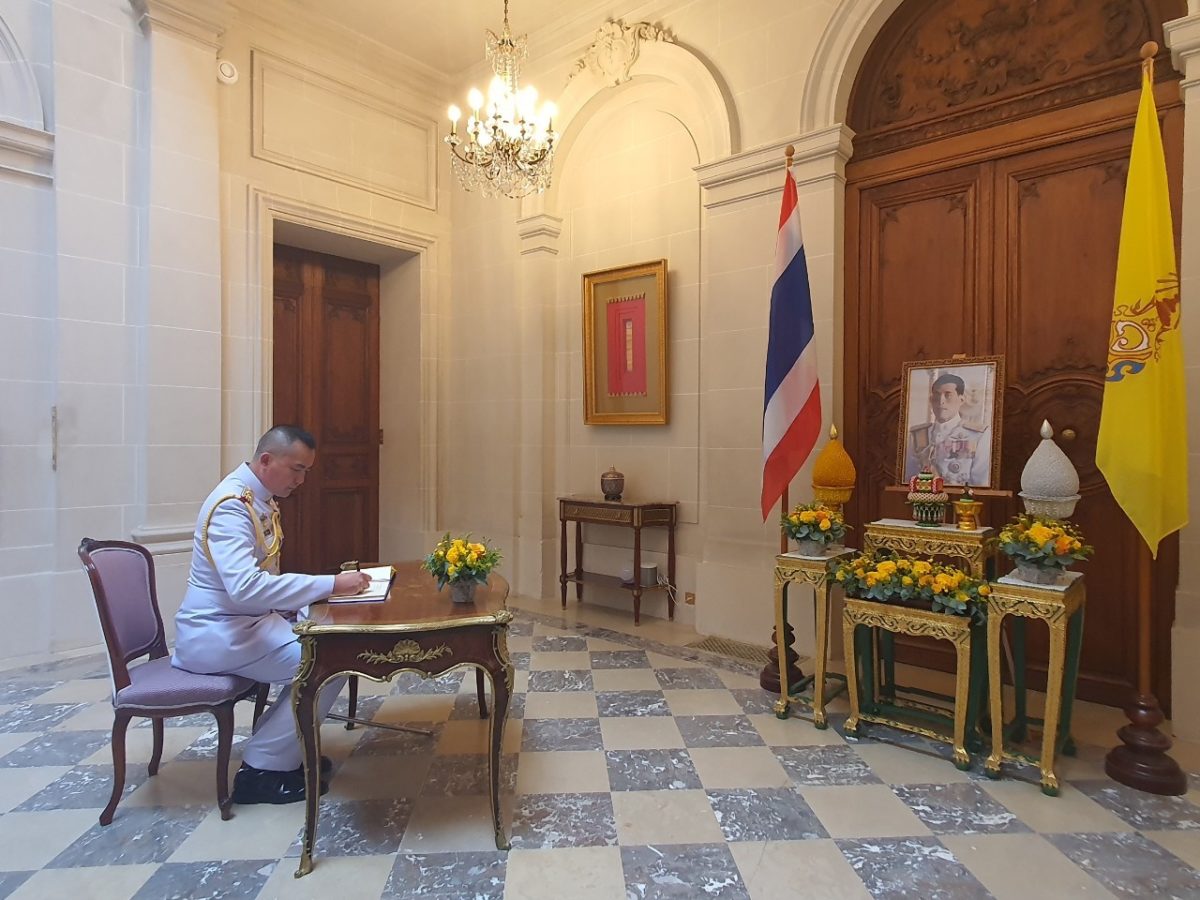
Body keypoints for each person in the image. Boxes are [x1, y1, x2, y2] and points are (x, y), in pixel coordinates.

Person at [172, 425, 371, 804]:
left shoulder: (259, 498)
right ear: (266, 460)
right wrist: (331, 584)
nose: (301, 480)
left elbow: (263, 577)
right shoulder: (232, 506)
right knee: (331, 663)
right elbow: (245, 587)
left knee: (334, 652)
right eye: (297, 469)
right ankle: (261, 771)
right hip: (218, 634)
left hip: (246, 625)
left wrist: (291, 608)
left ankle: (283, 749)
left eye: (306, 471)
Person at [904, 372, 992, 487]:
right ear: (931, 400)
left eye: (948, 395)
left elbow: (981, 483)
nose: (941, 401)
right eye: (936, 395)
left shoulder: (978, 435)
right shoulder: (917, 435)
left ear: (961, 400)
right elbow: (908, 480)